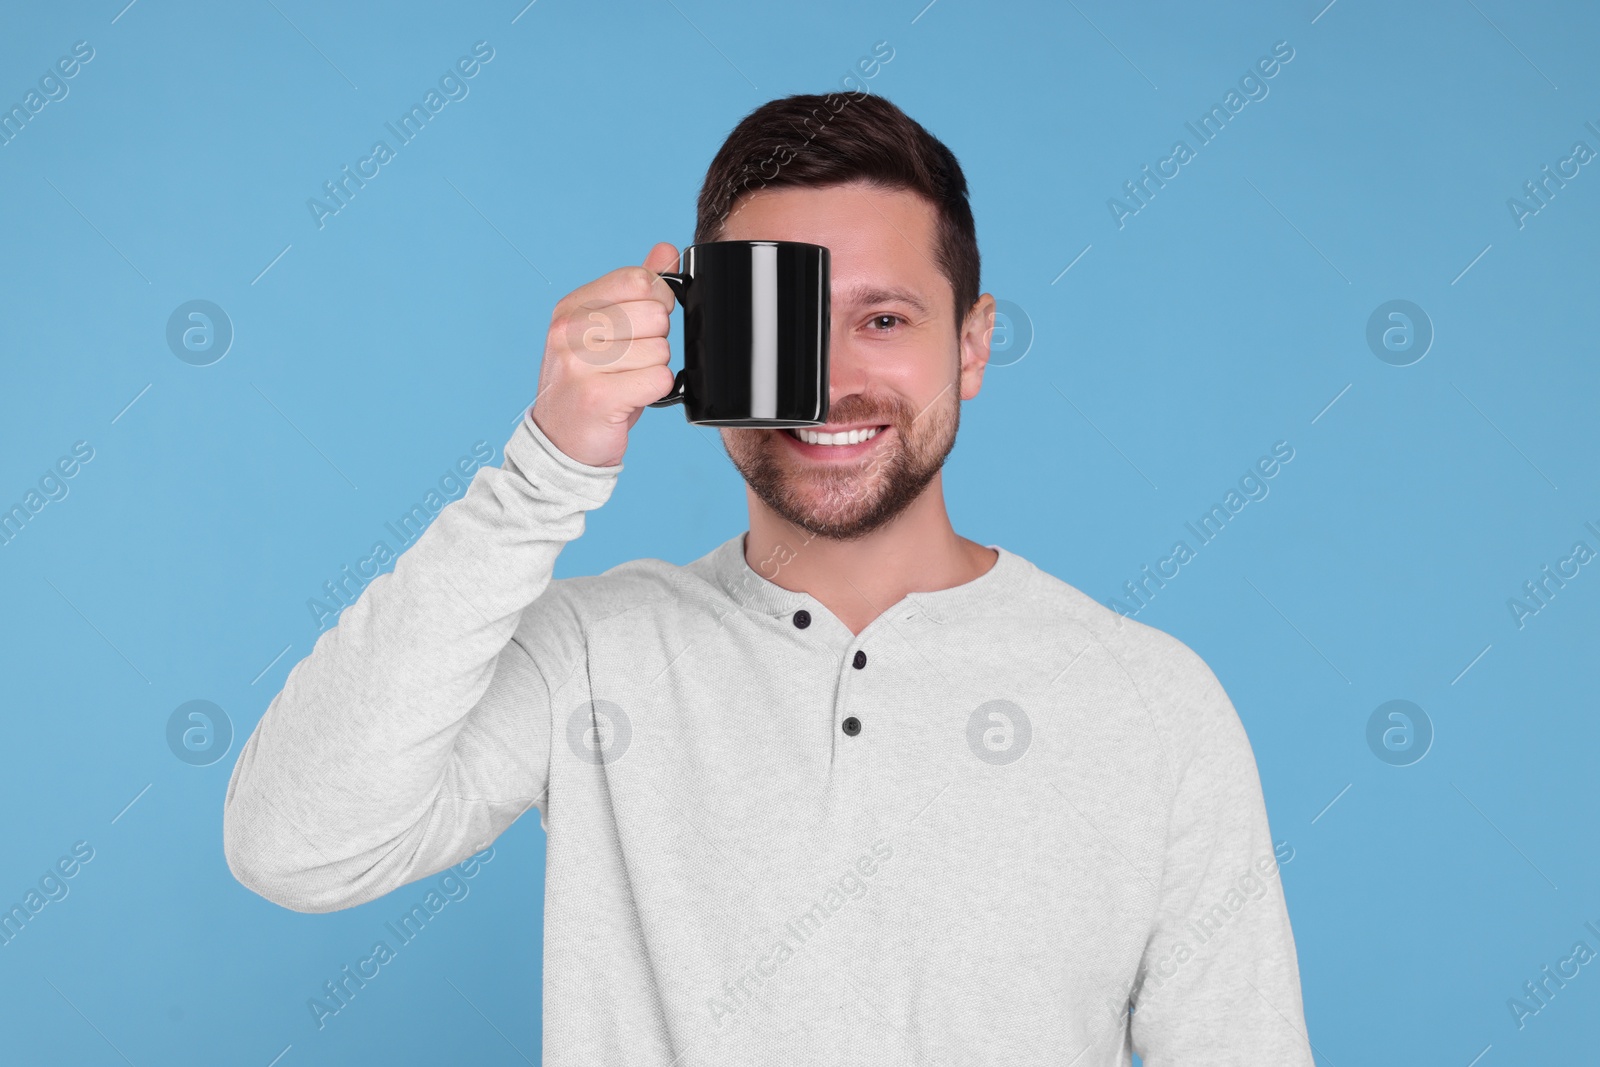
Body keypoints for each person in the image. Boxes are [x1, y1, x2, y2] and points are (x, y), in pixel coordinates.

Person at [223, 91, 1315, 1065]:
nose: (829, 384)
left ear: (971, 348)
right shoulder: (596, 652)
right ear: (697, 342)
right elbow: (295, 846)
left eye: (883, 320)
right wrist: (543, 470)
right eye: (778, 324)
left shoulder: (1152, 704)